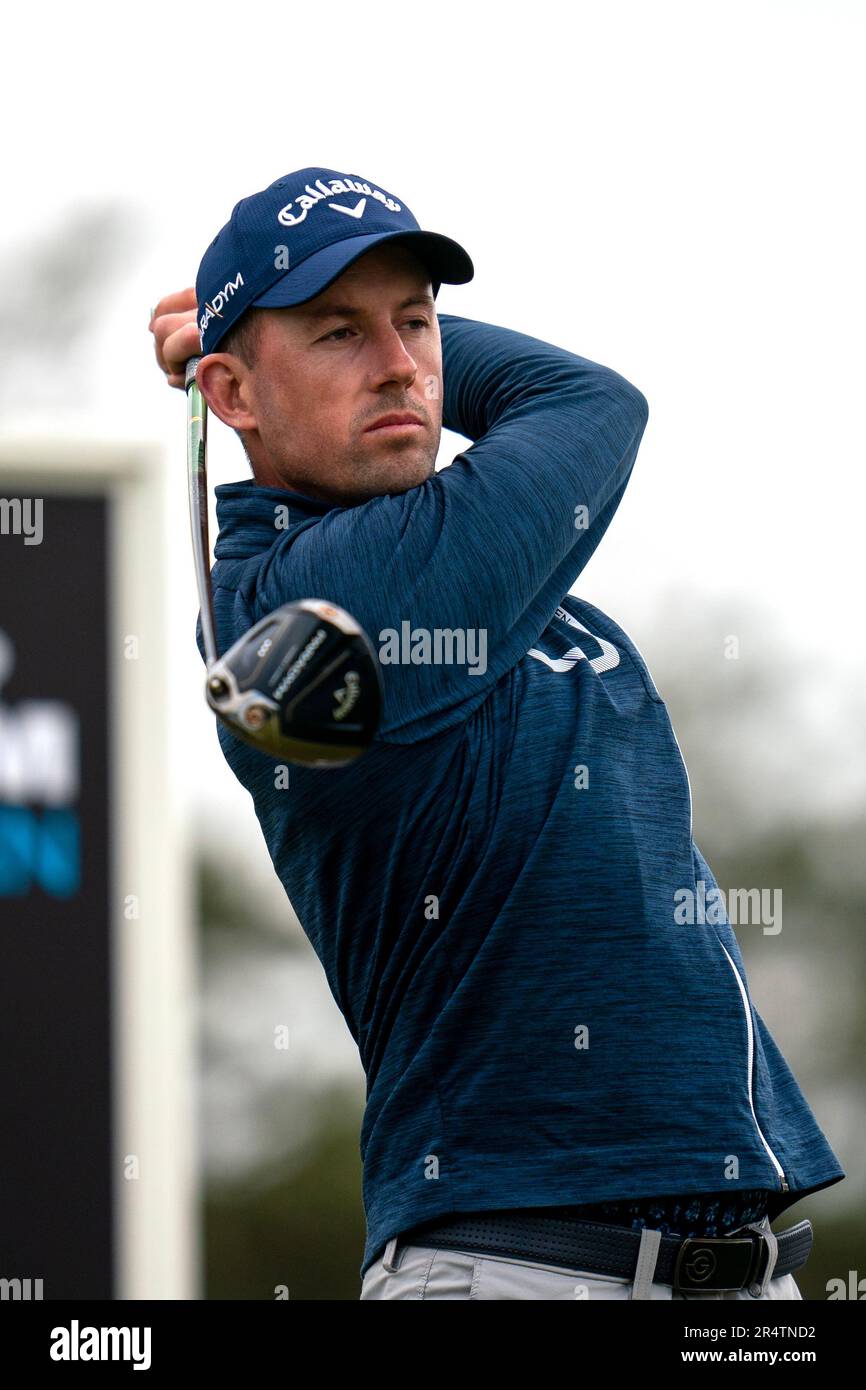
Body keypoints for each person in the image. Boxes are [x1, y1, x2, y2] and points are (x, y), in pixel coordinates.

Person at [149, 166, 844, 1300]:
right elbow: (588, 400)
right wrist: (245, 330)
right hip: (520, 1265)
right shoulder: (316, 602)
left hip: (728, 1281)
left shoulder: (479, 571)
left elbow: (530, 395)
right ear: (229, 396)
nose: (402, 366)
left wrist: (274, 331)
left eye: (416, 321)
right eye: (337, 333)